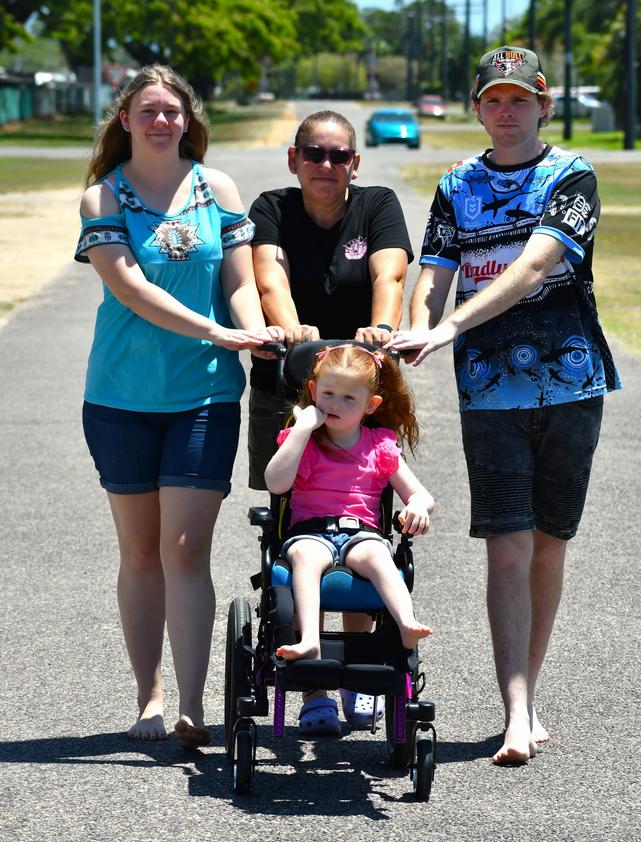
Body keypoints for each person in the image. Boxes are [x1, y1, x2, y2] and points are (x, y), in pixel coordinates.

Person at [388, 46, 621, 765]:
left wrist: (452, 324)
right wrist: (421, 327)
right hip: (489, 392)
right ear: (478, 107)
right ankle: (514, 710)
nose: (506, 111)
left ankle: (530, 692)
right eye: (494, 100)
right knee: (508, 544)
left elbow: (533, 266)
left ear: (544, 105)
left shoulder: (570, 175)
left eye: (521, 99)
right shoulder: (456, 185)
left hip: (571, 385)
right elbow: (435, 272)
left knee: (549, 542)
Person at [74, 65, 282, 748]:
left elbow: (240, 282)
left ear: (188, 120)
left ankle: (193, 705)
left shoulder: (214, 188)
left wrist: (252, 332)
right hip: (120, 397)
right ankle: (149, 697)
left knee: (185, 548)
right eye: (149, 111)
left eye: (174, 112)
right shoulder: (103, 197)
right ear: (126, 119)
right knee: (139, 552)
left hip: (205, 393)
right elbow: (128, 287)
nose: (163, 121)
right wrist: (216, 328)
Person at [248, 109, 414, 728]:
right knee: (292, 516)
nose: (325, 165)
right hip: (288, 382)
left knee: (368, 512)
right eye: (313, 154)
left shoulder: (376, 205)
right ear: (294, 160)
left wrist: (383, 329)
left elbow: (389, 272)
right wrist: (291, 329)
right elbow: (271, 276)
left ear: (354, 164)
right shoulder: (272, 206)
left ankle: (364, 670)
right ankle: (313, 684)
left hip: (360, 380)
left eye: (338, 155)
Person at [265, 344, 434, 735]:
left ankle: (405, 623)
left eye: (348, 397)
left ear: (370, 404)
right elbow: (275, 483)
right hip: (310, 531)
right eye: (327, 394)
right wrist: (302, 429)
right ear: (311, 391)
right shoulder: (303, 439)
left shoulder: (379, 446)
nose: (335, 404)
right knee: (306, 557)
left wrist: (419, 508)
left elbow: (419, 494)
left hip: (360, 532)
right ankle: (309, 641)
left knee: (379, 556)